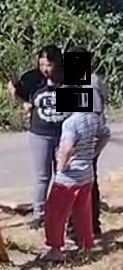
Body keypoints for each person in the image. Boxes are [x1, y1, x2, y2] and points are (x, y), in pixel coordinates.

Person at [43, 93, 111, 261]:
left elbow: (66, 147)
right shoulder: (93, 118)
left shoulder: (71, 123)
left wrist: (60, 167)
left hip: (68, 177)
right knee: (83, 213)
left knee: (55, 213)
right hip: (86, 173)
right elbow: (106, 134)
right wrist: (94, 152)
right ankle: (85, 246)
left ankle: (56, 249)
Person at [8, 45, 69, 229]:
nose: (45, 68)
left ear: (57, 63)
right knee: (43, 176)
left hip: (63, 133)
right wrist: (23, 103)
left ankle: (62, 213)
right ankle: (39, 213)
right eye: (42, 64)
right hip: (40, 133)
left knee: (63, 175)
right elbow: (14, 89)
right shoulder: (32, 78)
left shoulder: (67, 77)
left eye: (48, 65)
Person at [65, 45, 108, 238]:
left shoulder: (91, 83)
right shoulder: (77, 82)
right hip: (78, 138)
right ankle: (81, 225)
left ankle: (88, 225)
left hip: (88, 139)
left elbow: (94, 114)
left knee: (86, 182)